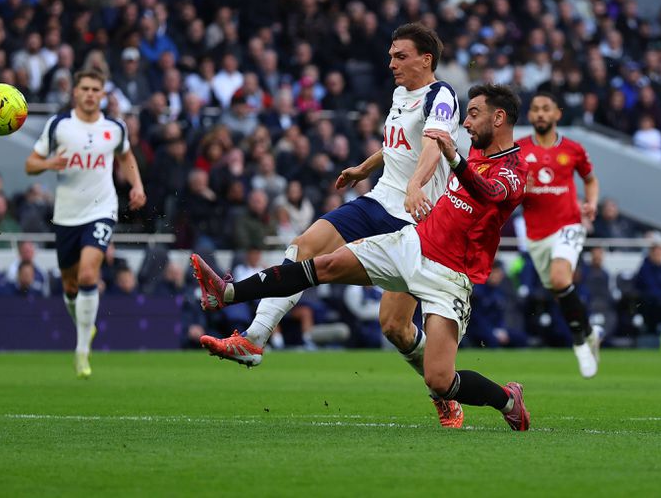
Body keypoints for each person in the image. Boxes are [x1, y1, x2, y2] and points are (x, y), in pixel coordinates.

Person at [194, 83, 530, 430]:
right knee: (322, 264)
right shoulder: (469, 146)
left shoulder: (515, 171)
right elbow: (407, 145)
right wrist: (366, 167)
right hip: (412, 242)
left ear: (499, 117)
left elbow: (488, 193)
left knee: (439, 380)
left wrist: (453, 159)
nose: (467, 123)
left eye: (474, 114)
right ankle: (230, 294)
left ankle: (507, 400)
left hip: (449, 276)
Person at [199, 23, 464, 425]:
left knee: (394, 326)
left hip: (416, 221)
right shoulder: (400, 94)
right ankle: (253, 339)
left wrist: (415, 185)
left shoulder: (441, 95)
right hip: (378, 201)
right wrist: (363, 167)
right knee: (305, 245)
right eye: (391, 55)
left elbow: (433, 142)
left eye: (400, 55)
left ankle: (443, 394)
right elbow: (398, 143)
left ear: (426, 59)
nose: (391, 62)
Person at [25, 70, 146, 378]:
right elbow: (30, 164)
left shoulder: (115, 128)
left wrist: (137, 186)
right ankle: (85, 327)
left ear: (102, 94)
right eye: (85, 89)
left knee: (90, 272)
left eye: (96, 89)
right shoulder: (59, 126)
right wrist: (49, 163)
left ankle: (81, 351)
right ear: (75, 93)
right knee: (70, 286)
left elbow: (126, 157)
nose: (91, 94)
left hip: (101, 209)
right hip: (66, 214)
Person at [516, 92, 603, 378]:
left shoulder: (574, 149)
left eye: (546, 109)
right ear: (530, 116)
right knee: (558, 290)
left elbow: (590, 179)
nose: (540, 114)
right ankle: (588, 332)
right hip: (536, 235)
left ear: (557, 114)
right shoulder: (518, 150)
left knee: (560, 278)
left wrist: (591, 203)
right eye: (536, 109)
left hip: (569, 224)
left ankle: (579, 343)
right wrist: (521, 190)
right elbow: (509, 193)